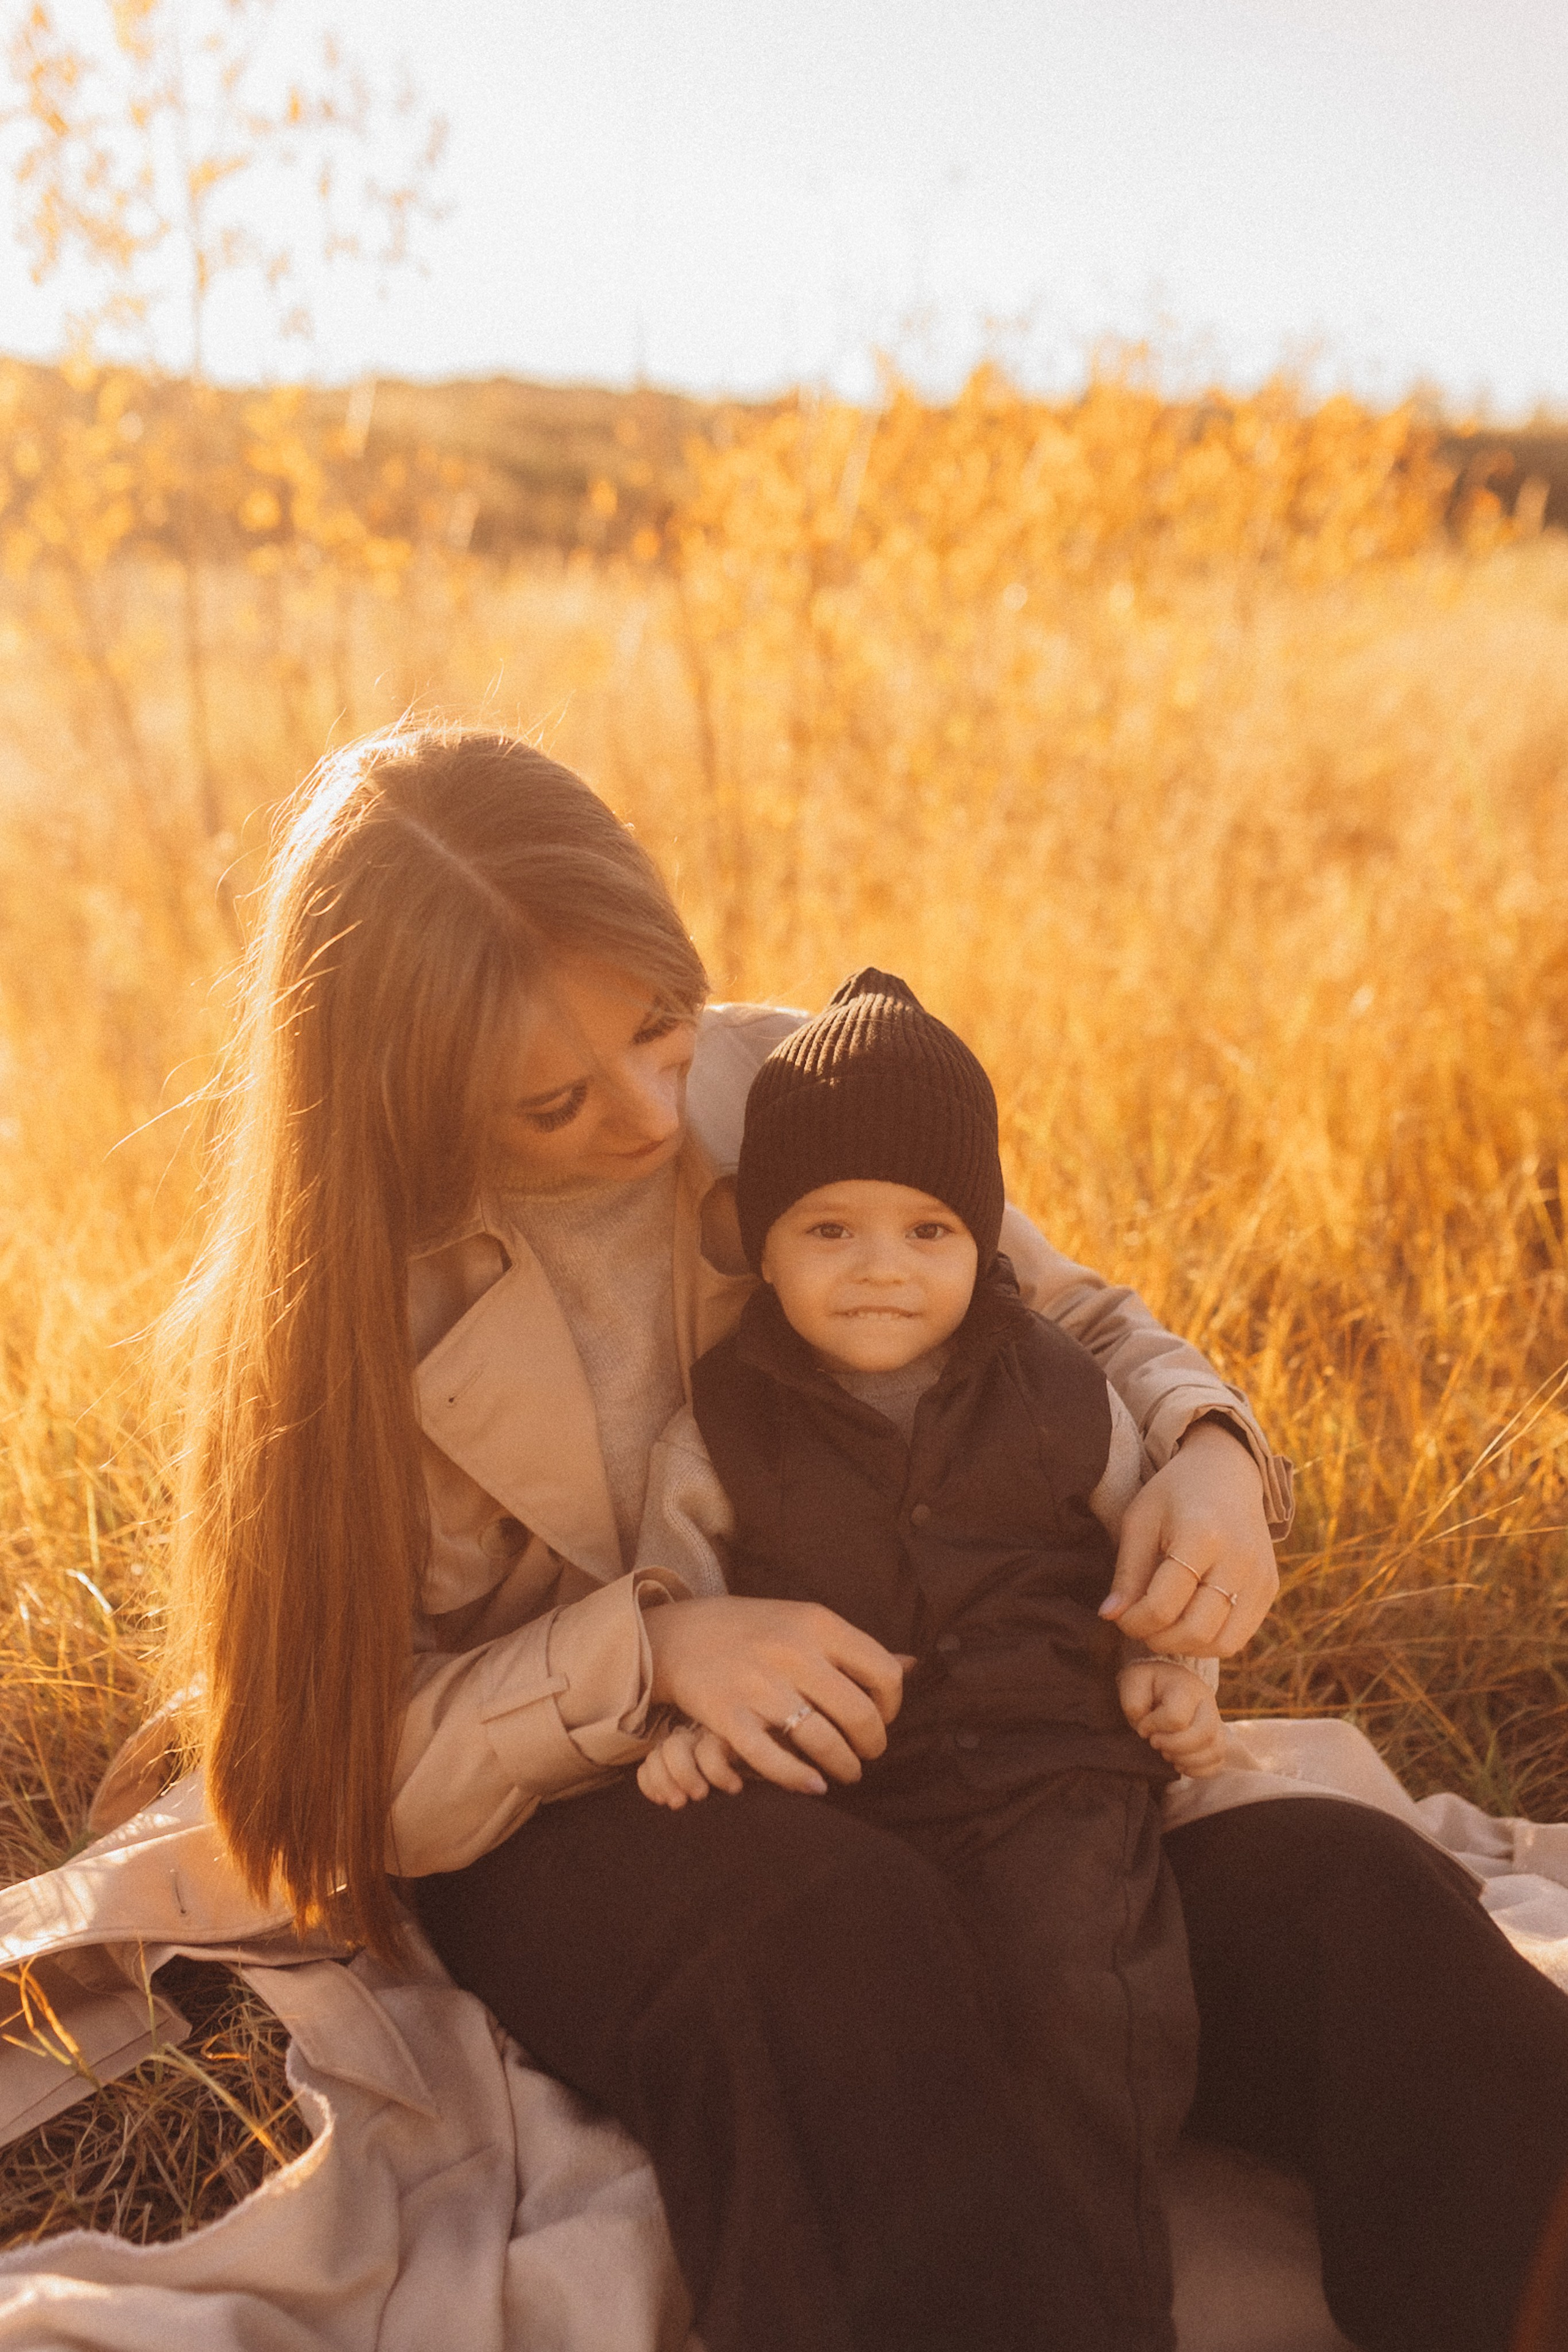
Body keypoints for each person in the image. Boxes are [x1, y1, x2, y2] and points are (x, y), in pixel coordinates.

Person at [159, 725, 1567, 2352]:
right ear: (402, 1093)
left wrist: (1207, 1455)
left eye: (660, 1024)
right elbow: (328, 1773)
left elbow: (1071, 1320)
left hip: (979, 1738)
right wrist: (652, 1652)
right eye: (553, 1101)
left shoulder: (791, 1079)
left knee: (1361, 1902)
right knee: (833, 1936)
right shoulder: (329, 1313)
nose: (652, 1112)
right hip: (614, 1821)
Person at [631, 966, 1231, 2350]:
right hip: (852, 1785)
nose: (881, 1267)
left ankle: (1102, 2268)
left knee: (1079, 1976)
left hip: (1052, 1767)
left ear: (983, 1239)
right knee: (897, 2003)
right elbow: (683, 1591)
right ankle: (954, 2255)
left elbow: (1150, 1561)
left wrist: (1171, 1679)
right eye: (829, 1228)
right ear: (761, 1245)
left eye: (928, 1229)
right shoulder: (720, 1422)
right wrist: (688, 1731)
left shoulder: (1060, 1390)